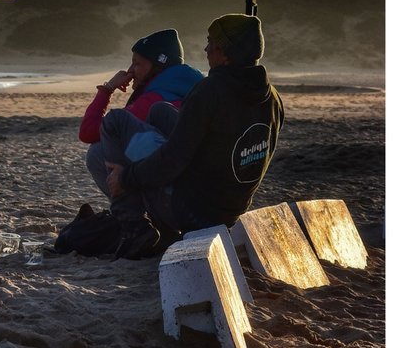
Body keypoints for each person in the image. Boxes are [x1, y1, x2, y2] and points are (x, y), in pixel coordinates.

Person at [106, 14, 284, 256]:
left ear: (224, 52)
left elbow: (172, 161)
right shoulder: (272, 98)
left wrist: (126, 178)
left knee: (115, 121)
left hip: (195, 212)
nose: (206, 49)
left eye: (211, 42)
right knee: (160, 112)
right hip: (232, 208)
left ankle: (133, 226)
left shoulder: (209, 92)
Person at [81, 29, 204, 213]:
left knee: (97, 153)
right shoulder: (192, 88)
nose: (130, 72)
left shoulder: (156, 100)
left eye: (137, 64)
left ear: (158, 66)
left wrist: (107, 89)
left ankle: (133, 217)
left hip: (179, 198)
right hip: (199, 187)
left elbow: (88, 131)